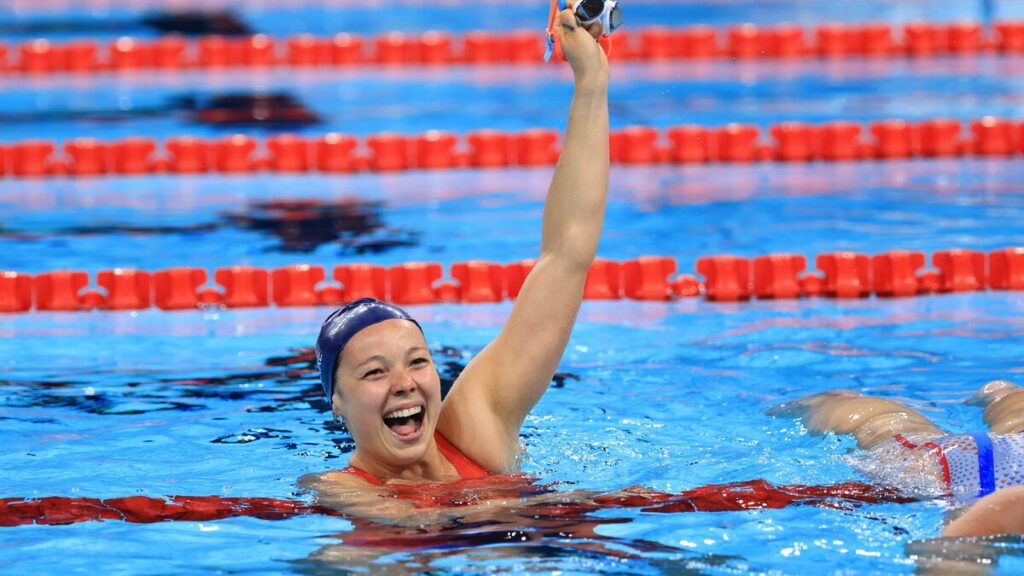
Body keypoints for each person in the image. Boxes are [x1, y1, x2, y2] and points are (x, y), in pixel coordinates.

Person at [303, 3, 610, 504]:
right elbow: (412, 533)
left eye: (417, 362)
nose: (404, 384)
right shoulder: (338, 489)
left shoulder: (475, 421)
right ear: (336, 402)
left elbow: (567, 254)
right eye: (375, 372)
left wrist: (591, 79)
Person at [768, 379, 1024, 536]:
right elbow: (954, 552)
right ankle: (830, 401)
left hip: (1003, 455)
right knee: (882, 423)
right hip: (944, 466)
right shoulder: (1007, 502)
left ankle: (1003, 395)